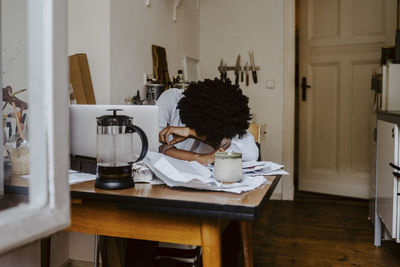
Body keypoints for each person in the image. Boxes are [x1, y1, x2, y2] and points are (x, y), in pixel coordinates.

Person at [157, 78, 259, 164]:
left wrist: (192, 133)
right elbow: (150, 145)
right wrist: (199, 158)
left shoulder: (228, 121)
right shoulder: (171, 99)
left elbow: (251, 155)